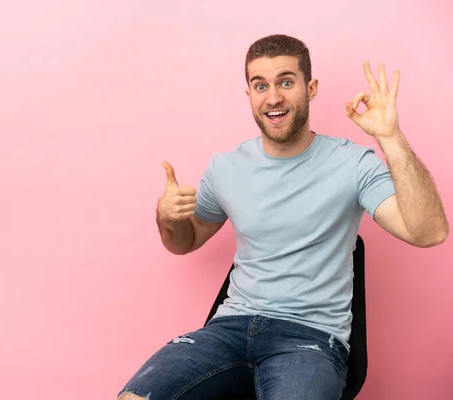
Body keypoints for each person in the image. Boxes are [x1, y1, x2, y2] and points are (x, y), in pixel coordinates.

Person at [117, 34, 449, 400]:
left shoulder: (353, 163)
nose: (273, 97)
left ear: (311, 88)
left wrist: (391, 137)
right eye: (261, 85)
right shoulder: (226, 168)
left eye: (286, 82)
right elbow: (185, 242)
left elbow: (429, 232)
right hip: (228, 330)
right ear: (249, 95)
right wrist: (168, 218)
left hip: (308, 338)